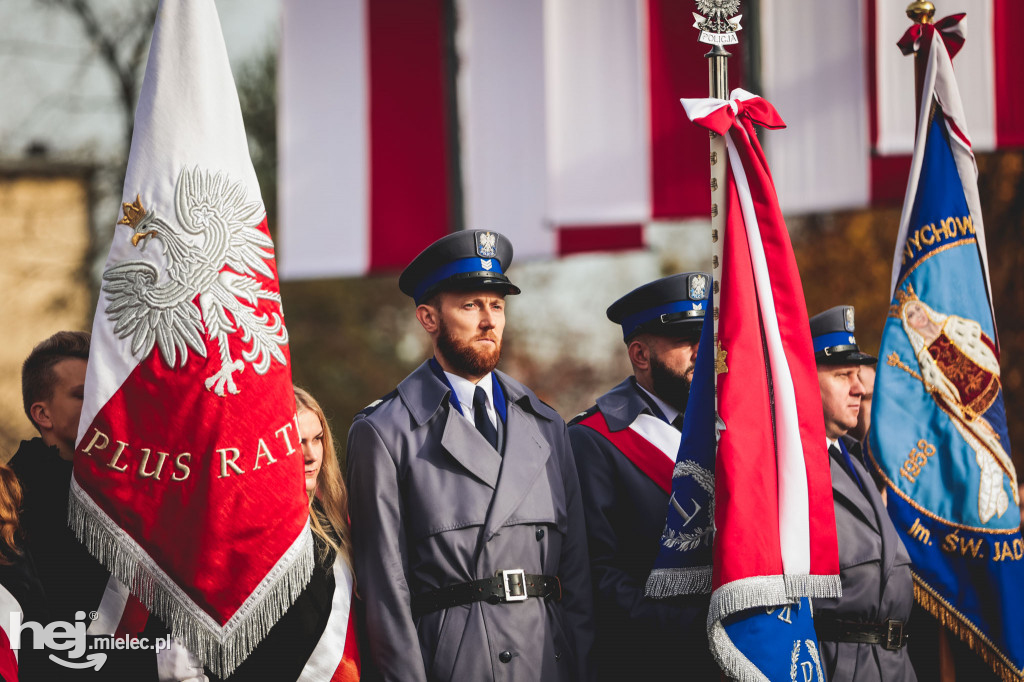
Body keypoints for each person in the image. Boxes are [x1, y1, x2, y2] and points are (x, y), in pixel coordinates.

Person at [347, 230, 594, 681]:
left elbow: (576, 579)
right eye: (470, 306)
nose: (489, 321)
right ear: (428, 318)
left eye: (497, 306)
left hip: (547, 663)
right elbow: (386, 597)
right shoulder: (384, 433)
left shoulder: (547, 426)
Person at [566, 273, 718, 679]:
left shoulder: (726, 428)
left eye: (708, 337)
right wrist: (699, 628)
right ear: (640, 355)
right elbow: (600, 578)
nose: (702, 353)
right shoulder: (592, 440)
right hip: (653, 661)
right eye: (687, 340)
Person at [203, 387, 359, 682]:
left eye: (317, 439)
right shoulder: (242, 529)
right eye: (298, 442)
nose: (311, 455)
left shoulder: (338, 520)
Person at [808, 305, 916, 681]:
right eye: (843, 375)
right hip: (838, 667)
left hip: (894, 665)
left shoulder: (855, 459)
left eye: (858, 374)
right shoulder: (792, 472)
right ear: (805, 380)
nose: (858, 387)